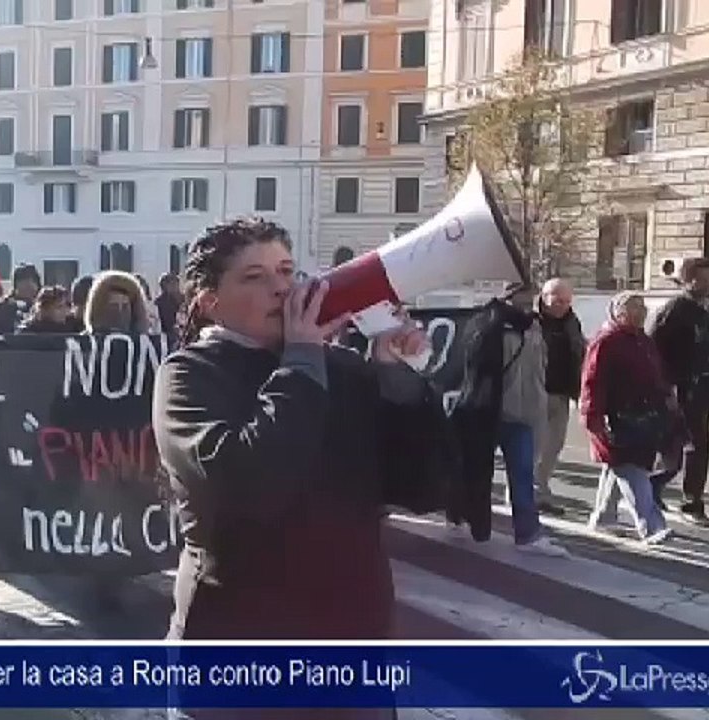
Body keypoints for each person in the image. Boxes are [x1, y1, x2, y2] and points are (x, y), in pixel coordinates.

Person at [151, 219, 451, 720]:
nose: (281, 288)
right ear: (208, 301)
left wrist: (397, 382)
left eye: (287, 271)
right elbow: (253, 482)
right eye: (254, 277)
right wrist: (304, 359)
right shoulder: (187, 376)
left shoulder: (345, 369)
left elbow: (425, 487)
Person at [448, 287, 567, 556]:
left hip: (519, 414)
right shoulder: (490, 327)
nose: (528, 307)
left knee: (520, 476)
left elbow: (540, 370)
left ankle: (526, 532)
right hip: (492, 412)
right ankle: (462, 515)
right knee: (478, 471)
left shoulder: (532, 329)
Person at [579, 292, 674, 544]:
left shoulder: (642, 340)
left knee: (619, 466)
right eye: (633, 308)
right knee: (632, 469)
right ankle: (651, 526)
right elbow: (592, 382)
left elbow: (656, 376)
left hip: (643, 416)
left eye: (642, 307)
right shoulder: (606, 341)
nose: (640, 312)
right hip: (617, 417)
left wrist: (666, 401)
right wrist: (594, 417)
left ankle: (603, 518)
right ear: (617, 313)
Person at [649, 257, 709, 526]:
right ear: (687, 280)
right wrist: (665, 385)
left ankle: (691, 501)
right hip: (679, 388)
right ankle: (651, 488)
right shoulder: (675, 309)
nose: (707, 284)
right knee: (676, 447)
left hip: (703, 389)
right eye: (701, 279)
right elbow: (653, 348)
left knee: (697, 446)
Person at [533, 278, 584, 518]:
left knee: (553, 447)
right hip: (534, 392)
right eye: (558, 300)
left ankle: (541, 492)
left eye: (567, 301)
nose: (563, 305)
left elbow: (578, 354)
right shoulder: (531, 321)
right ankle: (526, 494)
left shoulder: (572, 322)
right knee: (533, 447)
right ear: (544, 297)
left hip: (562, 393)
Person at [85, 271, 152, 335]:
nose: (120, 311)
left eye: (125, 306)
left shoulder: (145, 343)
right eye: (114, 305)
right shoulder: (84, 343)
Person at [0, 264, 41, 336]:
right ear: (15, 285)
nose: (31, 286)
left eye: (33, 282)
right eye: (24, 282)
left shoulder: (41, 308)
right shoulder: (0, 309)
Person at [154, 273, 183, 347]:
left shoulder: (183, 299)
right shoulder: (159, 303)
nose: (175, 287)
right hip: (166, 339)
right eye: (171, 284)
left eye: (176, 284)